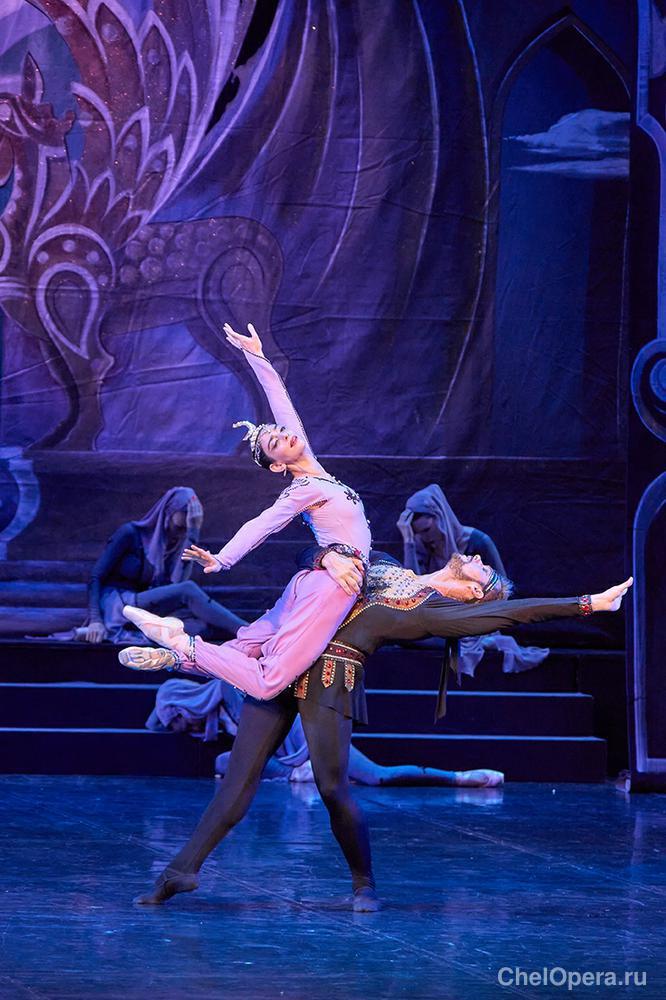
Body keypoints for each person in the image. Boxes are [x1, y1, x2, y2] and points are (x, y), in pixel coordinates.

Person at [120, 547, 632, 912]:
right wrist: (327, 558)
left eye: (484, 568)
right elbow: (310, 556)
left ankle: (363, 883)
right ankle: (180, 871)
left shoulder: (435, 613)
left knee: (332, 788)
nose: (476, 556)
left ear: (477, 593)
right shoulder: (385, 565)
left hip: (328, 679)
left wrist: (588, 603)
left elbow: (513, 613)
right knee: (238, 781)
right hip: (279, 662)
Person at [123, 321, 372, 698]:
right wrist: (223, 559)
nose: (285, 434)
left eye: (282, 431)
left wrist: (256, 356)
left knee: (244, 648)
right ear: (277, 465)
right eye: (276, 441)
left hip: (312, 579)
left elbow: (280, 401)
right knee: (268, 682)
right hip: (333, 583)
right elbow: (262, 523)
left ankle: (176, 658)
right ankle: (184, 643)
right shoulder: (303, 490)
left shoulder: (316, 471)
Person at [398, 483, 548, 677]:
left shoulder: (477, 543)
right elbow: (412, 589)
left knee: (460, 638)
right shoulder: (423, 545)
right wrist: (409, 542)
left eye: (426, 530)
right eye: (417, 533)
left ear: (441, 518)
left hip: (472, 620)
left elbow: (503, 593)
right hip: (439, 619)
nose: (424, 538)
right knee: (405, 635)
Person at [76, 487, 245, 644]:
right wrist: (95, 620)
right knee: (188, 589)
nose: (179, 534)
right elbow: (96, 576)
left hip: (143, 606)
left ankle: (138, 634)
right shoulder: (130, 533)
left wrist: (192, 534)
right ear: (167, 513)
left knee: (200, 626)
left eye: (185, 530)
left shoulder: (169, 544)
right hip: (117, 603)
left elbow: (177, 583)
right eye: (179, 527)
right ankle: (248, 630)